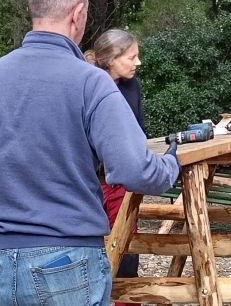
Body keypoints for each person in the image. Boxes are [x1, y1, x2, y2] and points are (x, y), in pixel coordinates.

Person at [0, 0, 180, 306]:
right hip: (65, 266)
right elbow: (136, 170)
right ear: (78, 14)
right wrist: (172, 163)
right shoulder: (91, 82)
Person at [88, 28, 145, 306]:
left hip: (121, 184)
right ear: (110, 58)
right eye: (132, 56)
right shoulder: (86, 84)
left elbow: (138, 133)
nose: (138, 62)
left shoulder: (132, 87)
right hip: (88, 184)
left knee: (125, 253)